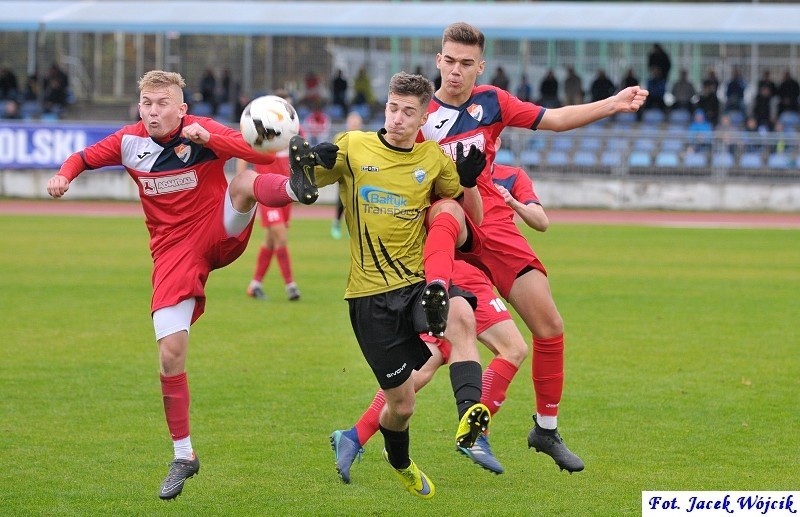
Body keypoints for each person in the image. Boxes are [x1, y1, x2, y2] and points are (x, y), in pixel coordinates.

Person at [44, 70, 332, 500]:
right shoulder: (128, 141)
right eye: (146, 102)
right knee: (170, 353)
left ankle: (296, 188)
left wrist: (209, 139)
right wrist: (64, 175)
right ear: (139, 107)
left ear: (181, 109)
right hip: (173, 254)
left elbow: (260, 155)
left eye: (163, 103)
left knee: (243, 183)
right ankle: (184, 455)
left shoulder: (202, 131)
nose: (153, 110)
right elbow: (82, 158)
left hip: (218, 230)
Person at [420, 21, 648, 473]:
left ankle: (545, 429)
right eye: (449, 61)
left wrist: (613, 103)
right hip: (446, 230)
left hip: (494, 227)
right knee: (432, 356)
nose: (456, 71)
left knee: (549, 325)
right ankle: (384, 433)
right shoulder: (418, 114)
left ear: (479, 67)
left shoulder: (494, 102)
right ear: (438, 61)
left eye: (467, 64)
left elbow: (555, 119)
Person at [293, 71, 490, 498]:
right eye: (392, 108)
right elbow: (303, 184)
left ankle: (471, 413)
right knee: (401, 406)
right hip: (368, 299)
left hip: (418, 285)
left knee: (459, 311)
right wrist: (309, 160)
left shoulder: (433, 159)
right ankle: (398, 460)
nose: (397, 118)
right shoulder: (354, 147)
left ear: (422, 118)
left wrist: (470, 181)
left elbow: (467, 214)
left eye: (408, 112)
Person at [330, 136, 550, 479]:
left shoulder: (511, 176)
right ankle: (475, 434)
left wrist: (512, 203)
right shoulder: (440, 164)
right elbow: (458, 215)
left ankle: (355, 435)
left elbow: (540, 221)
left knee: (424, 368)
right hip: (452, 269)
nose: (484, 141)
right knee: (513, 347)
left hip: (477, 271)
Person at [240, 95, 302, 302]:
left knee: (270, 240)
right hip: (267, 191)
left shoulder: (294, 132)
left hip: (287, 192)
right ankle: (291, 286)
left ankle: (255, 285)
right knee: (280, 237)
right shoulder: (260, 130)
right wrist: (242, 186)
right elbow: (243, 155)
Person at [330, 110, 363, 240]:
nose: (354, 124)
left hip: (358, 173)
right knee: (341, 199)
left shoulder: (363, 138)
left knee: (358, 201)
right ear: (348, 123)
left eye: (356, 122)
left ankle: (356, 227)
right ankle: (336, 224)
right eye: (352, 121)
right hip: (343, 172)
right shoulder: (340, 136)